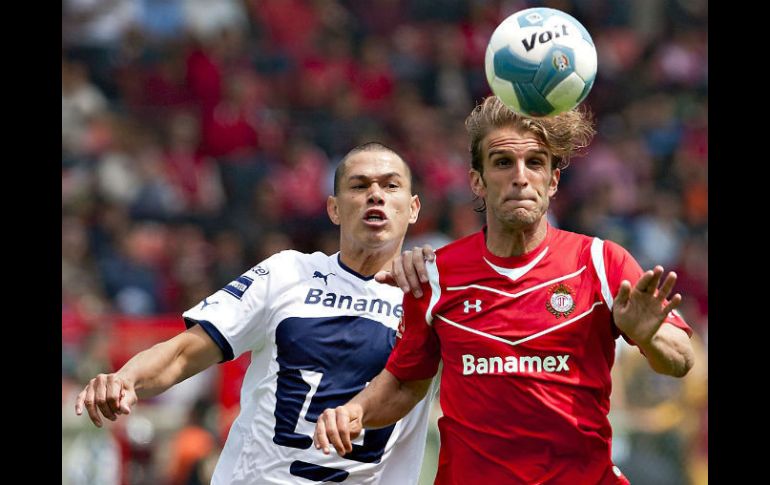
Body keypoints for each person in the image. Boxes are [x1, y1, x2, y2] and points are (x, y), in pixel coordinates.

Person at [314, 96, 696, 485]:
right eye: (502, 162)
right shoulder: (435, 276)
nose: (520, 176)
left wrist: (650, 336)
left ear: (553, 180)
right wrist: (355, 411)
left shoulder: (600, 262)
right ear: (476, 181)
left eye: (535, 162)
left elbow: (680, 359)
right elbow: (404, 382)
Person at [75, 142, 438, 484]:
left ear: (413, 208)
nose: (375, 194)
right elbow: (186, 351)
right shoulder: (287, 273)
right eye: (359, 186)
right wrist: (126, 378)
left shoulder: (436, 297)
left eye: (391, 186)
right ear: (334, 209)